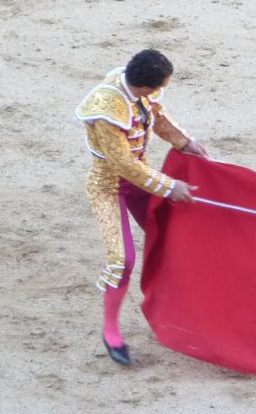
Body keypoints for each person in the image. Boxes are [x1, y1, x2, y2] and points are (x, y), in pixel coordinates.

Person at [74, 49, 209, 366]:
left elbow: (156, 116)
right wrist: (169, 186)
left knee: (176, 237)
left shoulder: (135, 89)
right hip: (109, 188)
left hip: (140, 181)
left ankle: (177, 306)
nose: (160, 92)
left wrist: (184, 142)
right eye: (159, 86)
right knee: (122, 259)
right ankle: (110, 331)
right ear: (146, 86)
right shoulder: (105, 110)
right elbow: (122, 163)